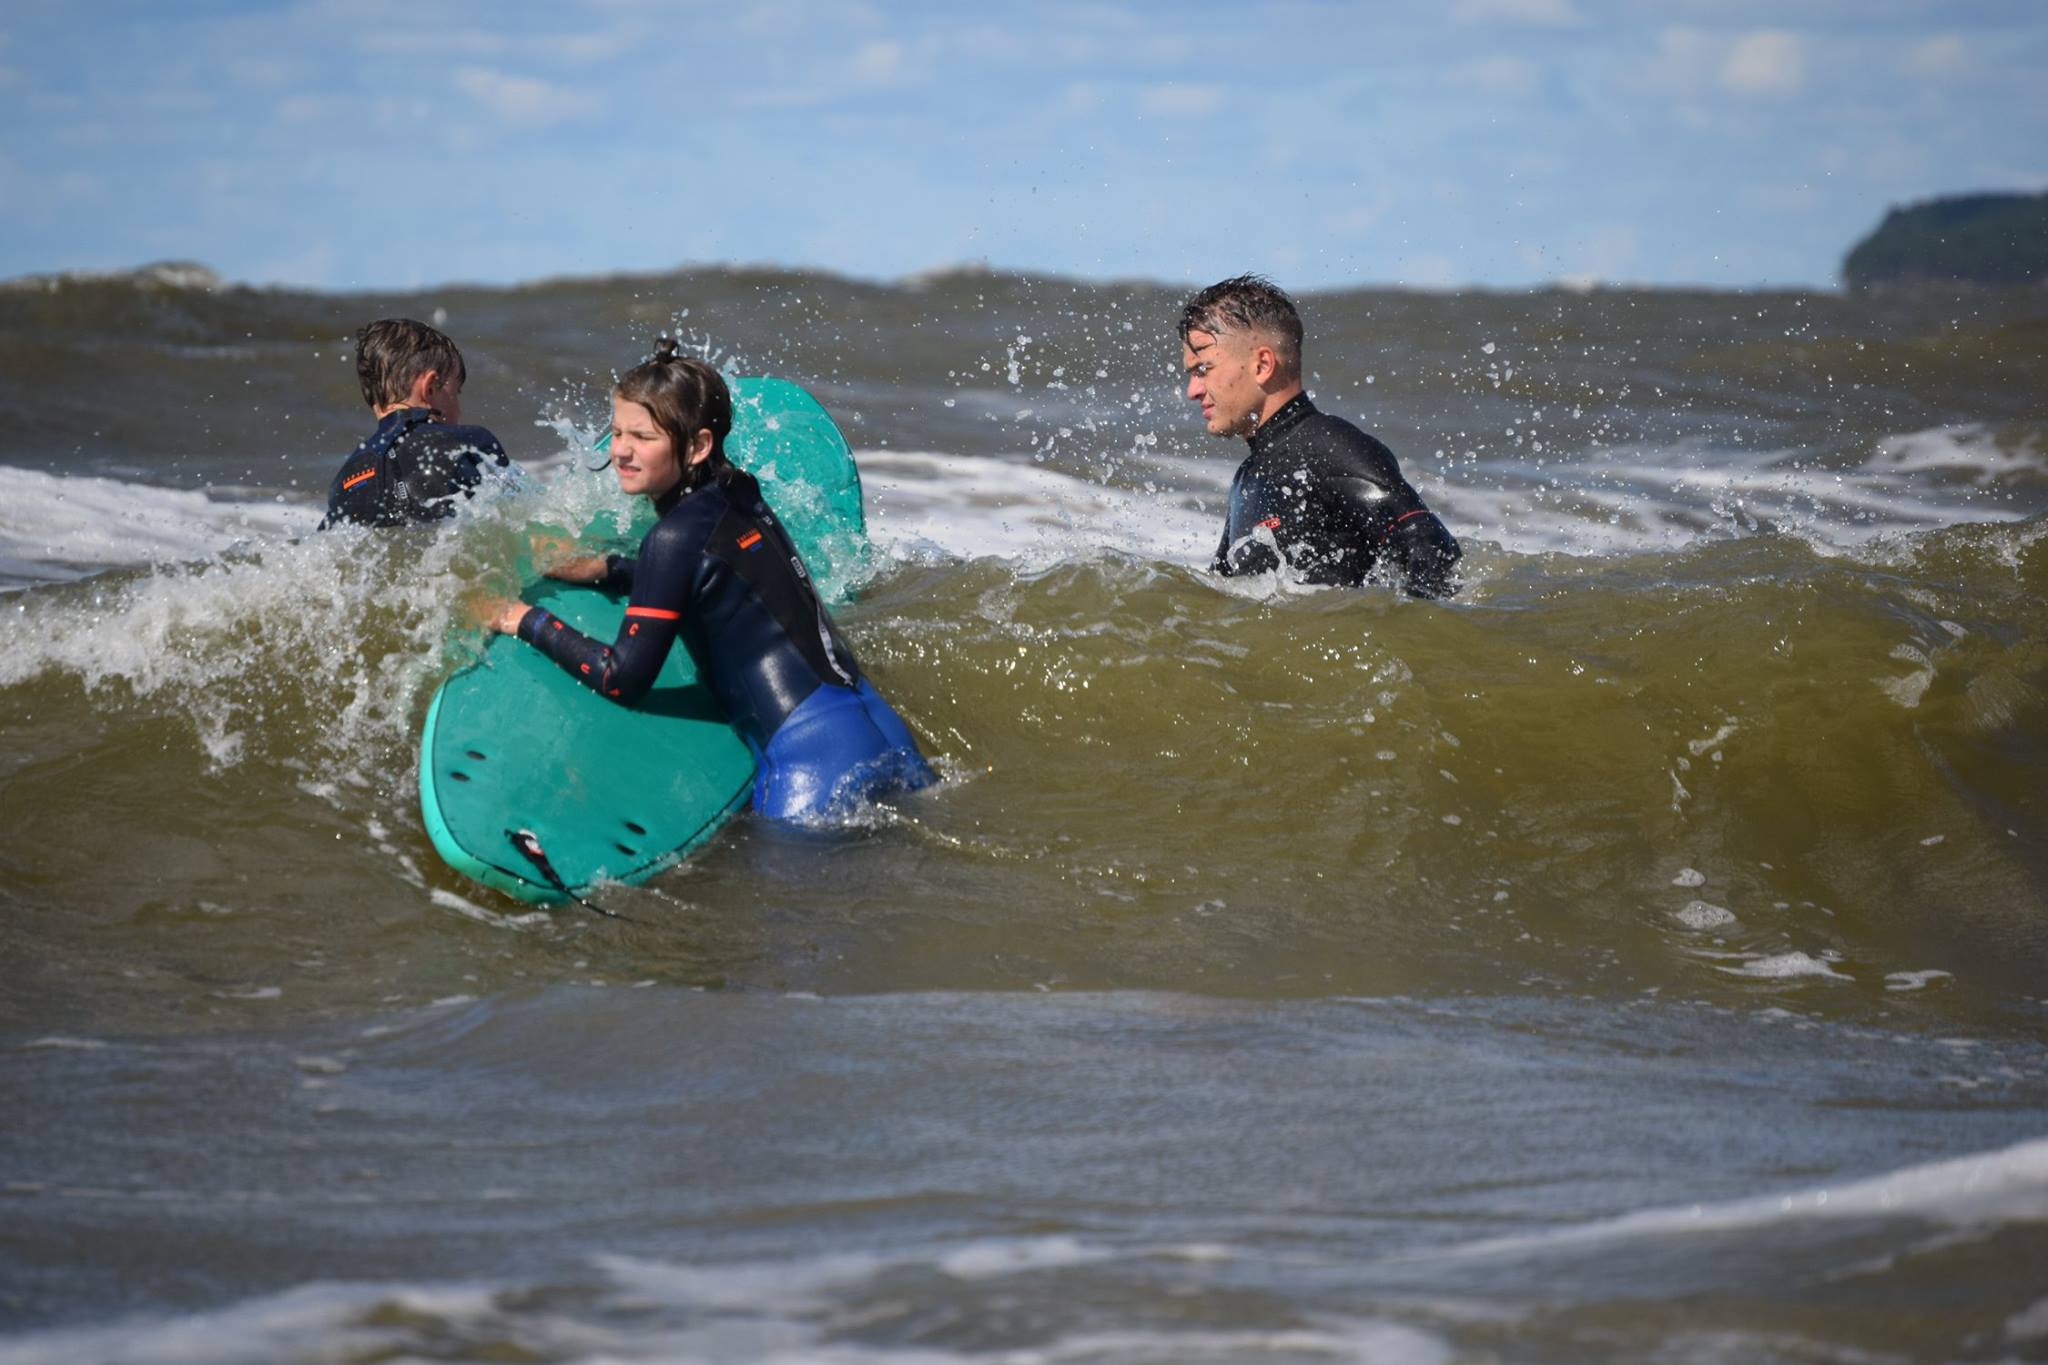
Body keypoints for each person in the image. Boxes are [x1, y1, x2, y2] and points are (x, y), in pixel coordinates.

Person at [474, 340, 934, 824]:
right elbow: (720, 581)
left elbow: (620, 678)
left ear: (697, 445)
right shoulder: (739, 495)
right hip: (884, 734)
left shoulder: (671, 539)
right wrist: (610, 568)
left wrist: (522, 618)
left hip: (813, 771)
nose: (622, 452)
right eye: (616, 432)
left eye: (643, 437)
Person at [1178, 275, 1460, 597]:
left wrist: (1406, 637)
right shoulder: (1248, 478)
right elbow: (1221, 596)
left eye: (1203, 370)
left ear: (1262, 365)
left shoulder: (1330, 446)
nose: (1193, 391)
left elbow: (1428, 543)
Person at [321, 318, 515, 529]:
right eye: (455, 393)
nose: (459, 409)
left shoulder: (344, 479)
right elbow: (522, 525)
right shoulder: (467, 442)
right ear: (430, 387)